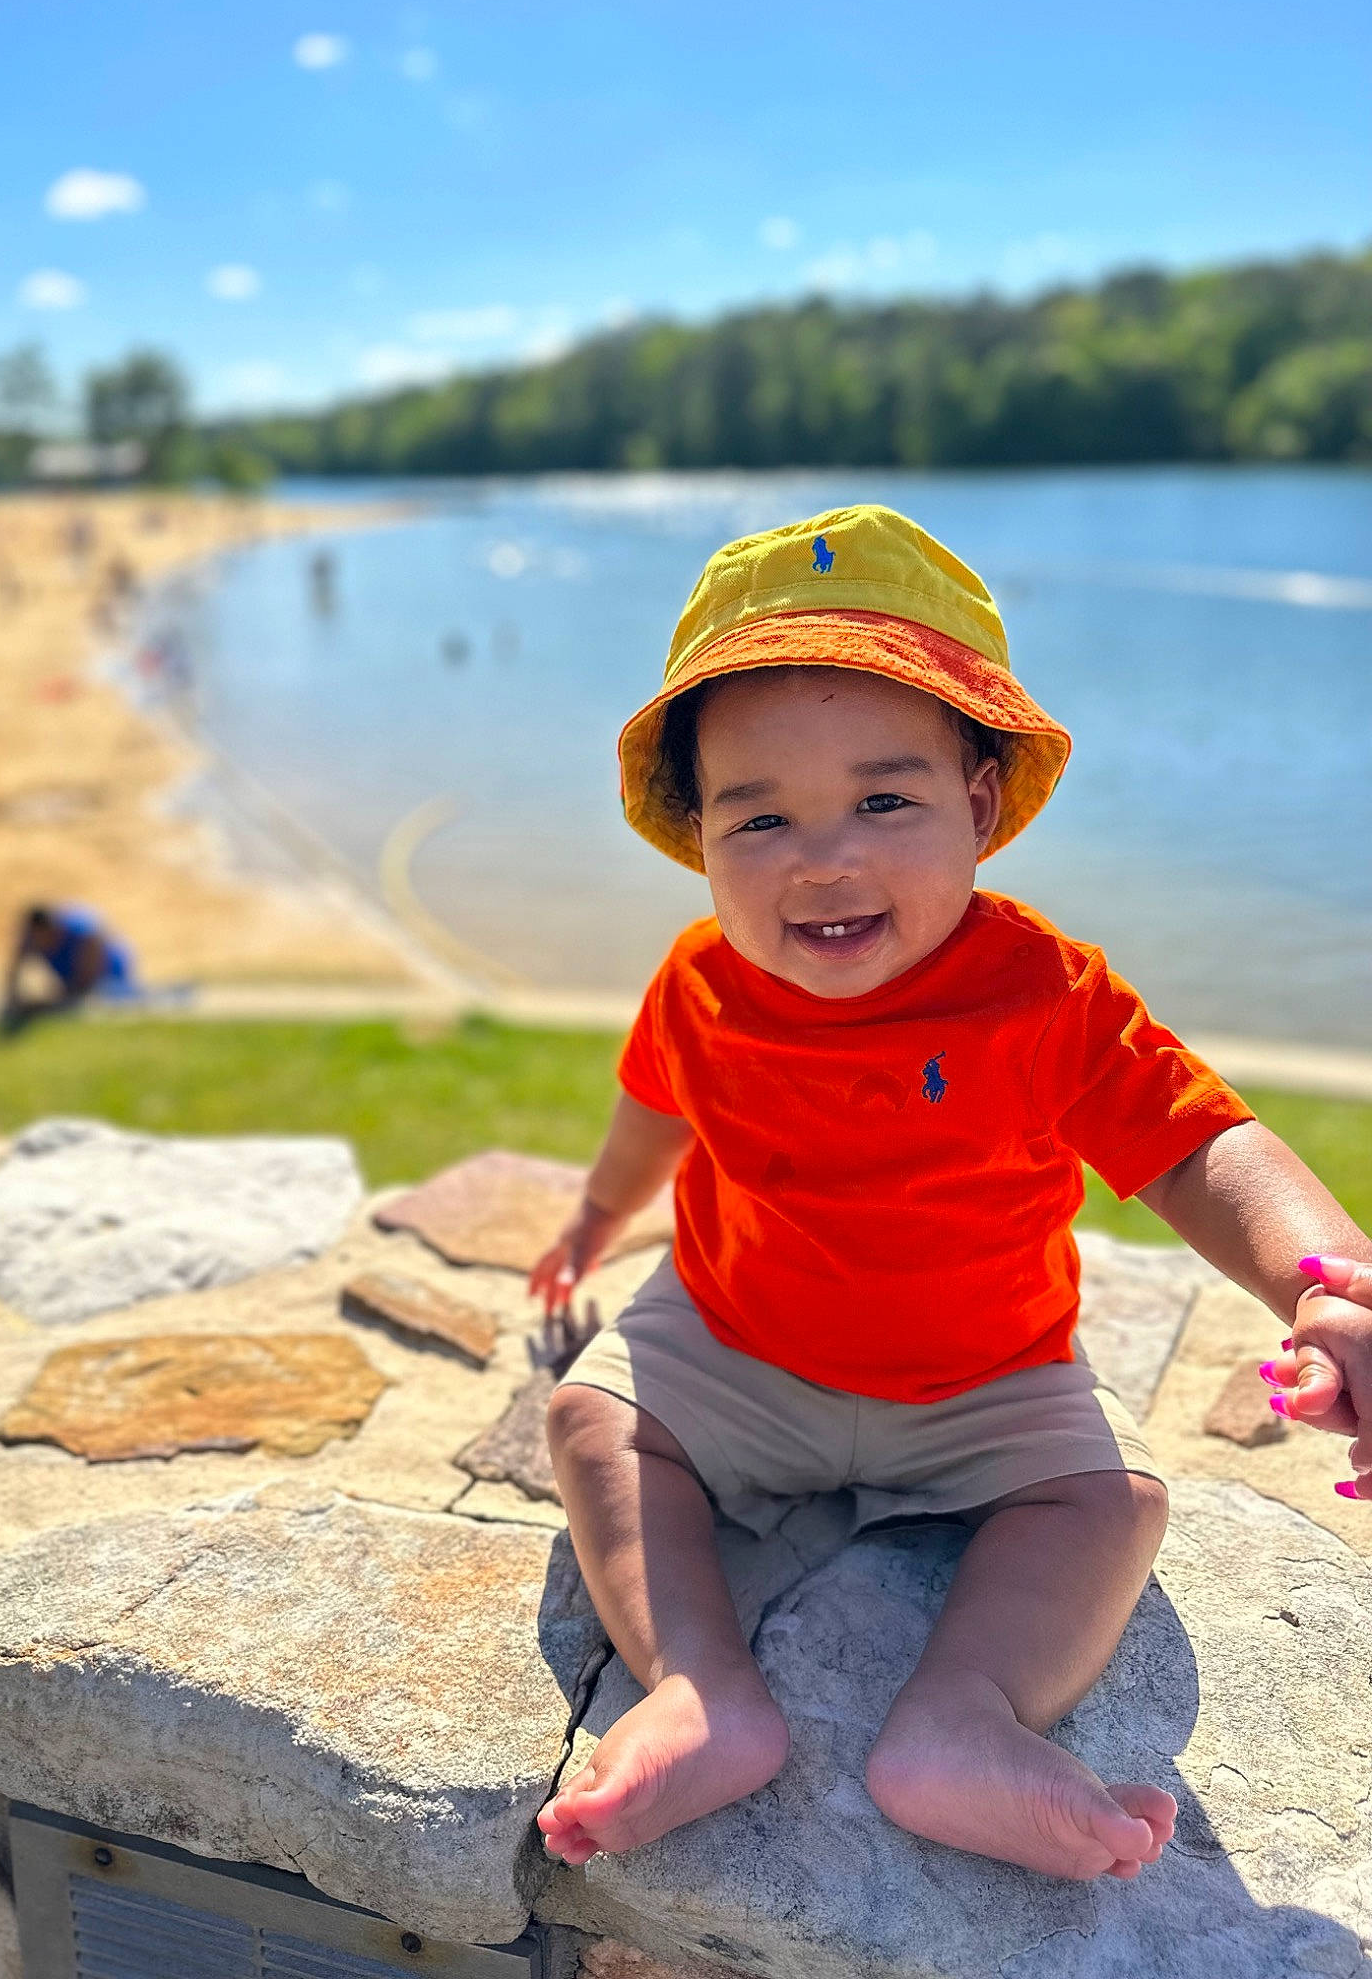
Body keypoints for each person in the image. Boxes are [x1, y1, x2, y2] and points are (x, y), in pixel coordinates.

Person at [529, 505, 1372, 1884]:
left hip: (987, 1375)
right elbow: (653, 1111)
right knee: (592, 1419)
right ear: (699, 834)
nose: (825, 858)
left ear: (978, 803)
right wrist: (595, 1219)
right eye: (761, 816)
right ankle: (699, 1686)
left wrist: (1331, 1286)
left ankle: (964, 1719)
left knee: (1112, 1503)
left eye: (884, 800)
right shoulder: (699, 985)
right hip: (741, 1347)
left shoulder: (1043, 994)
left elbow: (1197, 1147)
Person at [0, 902, 139, 1036]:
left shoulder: (81, 932)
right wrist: (14, 999)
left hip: (111, 973)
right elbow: (14, 973)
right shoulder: (31, 938)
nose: (41, 942)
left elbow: (88, 977)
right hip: (73, 979)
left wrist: (60, 999)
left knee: (105, 1003)